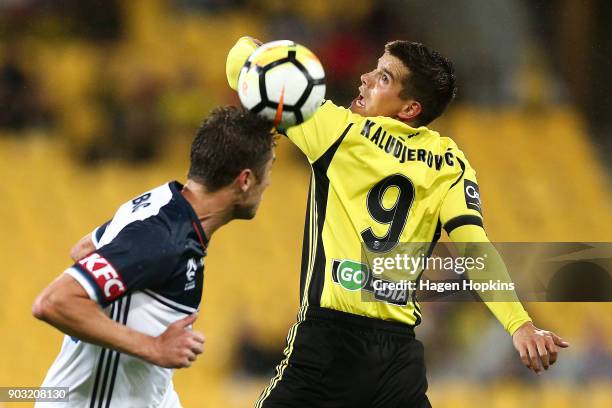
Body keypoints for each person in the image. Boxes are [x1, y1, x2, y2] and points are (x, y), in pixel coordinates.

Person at [226, 38, 570, 407]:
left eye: (384, 77)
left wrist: (264, 52)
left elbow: (239, 68)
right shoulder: (449, 162)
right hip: (396, 360)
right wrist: (519, 324)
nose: (365, 78)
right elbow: (474, 248)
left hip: (328, 344)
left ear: (410, 107)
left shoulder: (338, 132)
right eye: (375, 68)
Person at [32, 106, 275, 407]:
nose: (270, 183)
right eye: (269, 171)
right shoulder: (162, 238)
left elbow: (84, 249)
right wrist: (154, 347)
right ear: (246, 180)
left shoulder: (162, 202)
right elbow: (54, 302)